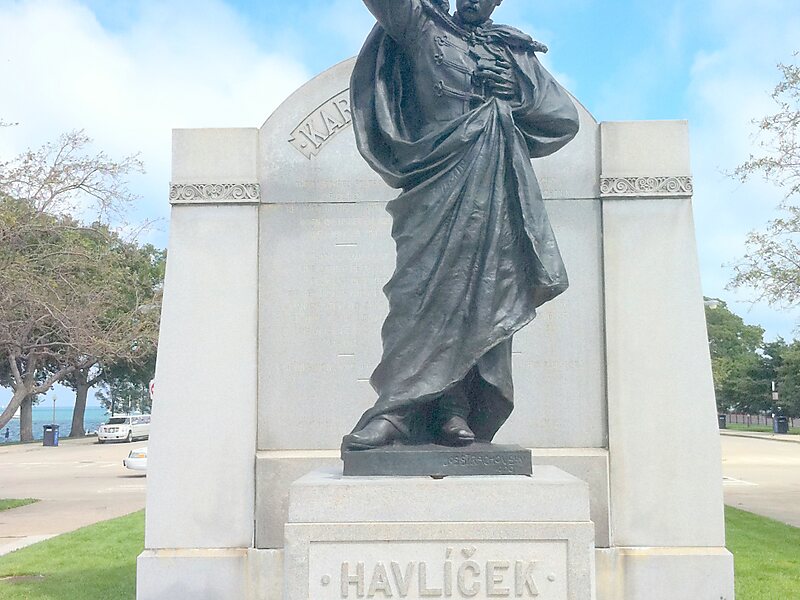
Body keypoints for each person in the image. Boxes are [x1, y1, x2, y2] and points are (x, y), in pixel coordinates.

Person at [342, 0, 579, 451]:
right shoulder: (423, 27)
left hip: (496, 195)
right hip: (435, 185)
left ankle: (455, 410)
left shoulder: (513, 52)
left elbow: (562, 120)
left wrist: (518, 94)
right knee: (415, 296)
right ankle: (394, 411)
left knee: (486, 299)